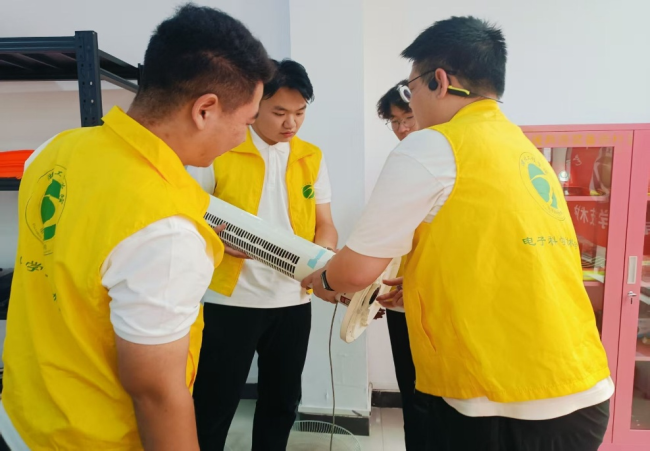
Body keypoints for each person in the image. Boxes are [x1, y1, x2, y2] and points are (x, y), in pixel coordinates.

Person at [303, 16, 613, 451]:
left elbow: (355, 272)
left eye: (411, 89)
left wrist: (323, 279)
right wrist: (424, 282)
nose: (411, 106)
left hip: (504, 400)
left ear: (440, 81)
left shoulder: (432, 145)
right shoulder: (524, 150)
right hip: (580, 384)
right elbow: (502, 254)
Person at [0, 5, 274, 451]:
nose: (243, 138)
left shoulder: (55, 149)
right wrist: (178, 251)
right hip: (90, 439)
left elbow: (86, 250)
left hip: (21, 417)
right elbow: (157, 394)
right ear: (205, 109)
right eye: (246, 121)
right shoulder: (168, 230)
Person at [187, 59, 338, 451]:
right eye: (280, 112)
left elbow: (325, 222)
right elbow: (187, 215)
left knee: (282, 401)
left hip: (292, 298)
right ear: (255, 106)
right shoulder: (220, 150)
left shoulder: (310, 156)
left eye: (300, 112)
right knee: (214, 401)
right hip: (229, 299)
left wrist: (325, 256)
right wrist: (215, 239)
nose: (292, 123)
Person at [375, 82, 427, 450]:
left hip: (436, 299)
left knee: (437, 401)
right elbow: (385, 238)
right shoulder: (400, 163)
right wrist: (372, 290)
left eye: (407, 117)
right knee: (412, 395)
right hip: (399, 298)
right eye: (394, 121)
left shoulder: (449, 163)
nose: (402, 128)